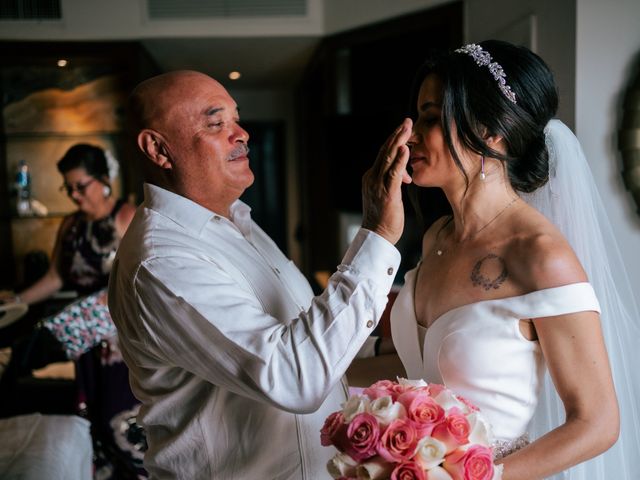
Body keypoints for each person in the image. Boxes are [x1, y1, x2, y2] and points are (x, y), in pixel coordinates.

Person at [108, 70, 411, 479]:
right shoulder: (161, 261)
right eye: (216, 123)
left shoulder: (238, 220)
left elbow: (301, 334)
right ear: (159, 149)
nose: (242, 134)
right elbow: (295, 376)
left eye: (237, 119)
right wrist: (377, 233)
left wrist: (403, 347)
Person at [391, 40, 639, 479]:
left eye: (430, 117)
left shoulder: (539, 254)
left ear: (489, 130)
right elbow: (424, 369)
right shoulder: (436, 238)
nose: (410, 134)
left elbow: (598, 423)